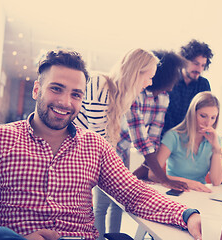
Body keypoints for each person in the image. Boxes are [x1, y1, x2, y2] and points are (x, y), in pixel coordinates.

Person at [0, 50, 222, 240]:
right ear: (37, 90)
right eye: (56, 88)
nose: (66, 102)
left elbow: (135, 194)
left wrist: (188, 215)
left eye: (76, 94)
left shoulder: (96, 147)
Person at [71, 48, 190, 239]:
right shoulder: (100, 83)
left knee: (117, 201)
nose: (151, 82)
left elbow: (115, 142)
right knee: (98, 205)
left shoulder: (124, 97)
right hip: (75, 156)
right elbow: (98, 140)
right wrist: (127, 178)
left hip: (103, 154)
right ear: (137, 72)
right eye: (149, 76)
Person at [117, 49, 189, 186]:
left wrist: (132, 179)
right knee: (103, 201)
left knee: (118, 200)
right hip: (111, 147)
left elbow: (153, 141)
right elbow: (142, 142)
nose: (177, 79)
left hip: (124, 151)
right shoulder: (136, 94)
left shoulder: (164, 98)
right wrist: (165, 179)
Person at [148, 92, 222, 192]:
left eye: (213, 117)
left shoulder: (216, 139)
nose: (208, 123)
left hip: (200, 193)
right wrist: (188, 183)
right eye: (203, 116)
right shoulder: (173, 136)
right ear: (193, 113)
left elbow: (217, 181)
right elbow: (152, 174)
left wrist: (216, 149)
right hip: (175, 190)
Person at [162, 39, 213, 136]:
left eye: (203, 65)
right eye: (196, 63)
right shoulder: (169, 79)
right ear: (184, 61)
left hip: (188, 139)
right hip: (164, 137)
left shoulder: (203, 85)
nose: (199, 69)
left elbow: (206, 114)